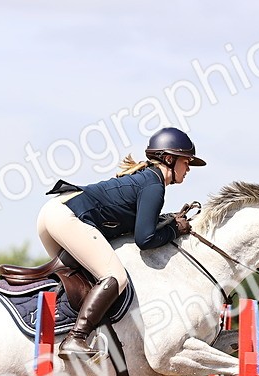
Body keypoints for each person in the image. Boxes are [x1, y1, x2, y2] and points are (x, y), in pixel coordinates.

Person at [37, 127, 207, 361]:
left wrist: (166, 221)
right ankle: (76, 338)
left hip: (53, 213)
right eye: (186, 162)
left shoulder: (147, 179)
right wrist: (175, 229)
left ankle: (56, 324)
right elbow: (144, 240)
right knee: (115, 277)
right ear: (169, 159)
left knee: (82, 277)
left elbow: (138, 224)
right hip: (67, 216)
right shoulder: (154, 185)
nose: (188, 169)